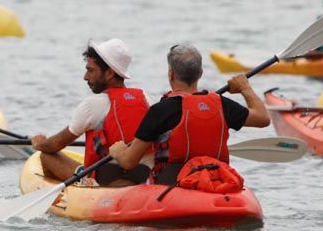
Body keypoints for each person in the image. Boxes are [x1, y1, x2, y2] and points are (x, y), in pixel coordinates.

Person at [109, 44, 270, 184]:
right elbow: (263, 118)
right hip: (217, 181)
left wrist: (118, 151)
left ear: (170, 74)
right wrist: (245, 88)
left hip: (172, 184)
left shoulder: (161, 110)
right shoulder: (222, 104)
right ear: (200, 73)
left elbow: (129, 162)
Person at [30, 39, 152, 187]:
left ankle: (78, 186)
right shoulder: (146, 98)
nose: (85, 76)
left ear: (109, 73)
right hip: (144, 176)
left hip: (107, 180)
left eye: (91, 70)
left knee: (46, 156)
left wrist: (40, 144)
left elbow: (55, 145)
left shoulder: (92, 104)